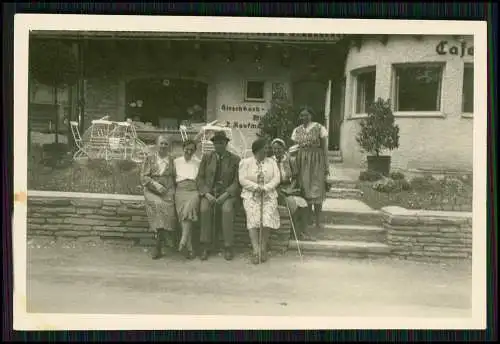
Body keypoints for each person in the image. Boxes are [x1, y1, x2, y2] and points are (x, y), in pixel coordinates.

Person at [196, 130, 241, 261]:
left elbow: (237, 181)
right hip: (209, 193)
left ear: (226, 144)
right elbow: (200, 178)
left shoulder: (234, 159)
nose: (219, 145)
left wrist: (227, 194)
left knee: (227, 210)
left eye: (221, 143)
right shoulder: (207, 158)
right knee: (204, 209)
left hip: (227, 194)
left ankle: (228, 246)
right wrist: (205, 193)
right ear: (214, 144)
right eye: (216, 143)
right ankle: (205, 245)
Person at [239, 138, 281, 264]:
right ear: (256, 151)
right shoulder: (245, 163)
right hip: (251, 195)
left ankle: (263, 248)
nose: (266, 152)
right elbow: (242, 179)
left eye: (267, 149)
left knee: (267, 217)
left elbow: (276, 178)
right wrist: (256, 188)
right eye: (264, 150)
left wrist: (266, 188)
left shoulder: (272, 162)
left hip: (268, 195)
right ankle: (255, 250)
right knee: (253, 218)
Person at [291, 106, 329, 229]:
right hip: (302, 162)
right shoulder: (297, 130)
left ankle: (318, 220)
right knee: (305, 190)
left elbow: (324, 148)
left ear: (311, 115)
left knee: (317, 190)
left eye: (306, 115)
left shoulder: (319, 128)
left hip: (317, 162)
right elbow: (294, 150)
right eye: (301, 115)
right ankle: (307, 220)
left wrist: (326, 165)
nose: (304, 117)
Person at [140, 134, 177, 260]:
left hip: (168, 191)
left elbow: (175, 177)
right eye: (161, 143)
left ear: (169, 146)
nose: (163, 146)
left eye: (166, 143)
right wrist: (155, 185)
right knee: (158, 205)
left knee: (169, 210)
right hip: (152, 191)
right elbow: (144, 177)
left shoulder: (172, 160)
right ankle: (159, 244)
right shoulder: (149, 158)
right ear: (157, 144)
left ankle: (161, 240)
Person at [271, 138, 315, 241]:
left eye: (279, 148)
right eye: (274, 149)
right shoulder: (270, 161)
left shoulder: (289, 160)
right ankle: (296, 233)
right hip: (275, 189)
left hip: (289, 188)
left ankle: (304, 231)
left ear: (283, 148)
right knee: (292, 204)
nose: (277, 151)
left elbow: (295, 177)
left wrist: (290, 188)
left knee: (303, 203)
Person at [173, 139, 201, 260]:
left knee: (187, 211)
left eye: (192, 150)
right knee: (185, 216)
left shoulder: (198, 162)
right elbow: (172, 178)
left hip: (194, 191)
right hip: (180, 191)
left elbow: (201, 179)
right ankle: (189, 247)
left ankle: (183, 241)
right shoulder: (176, 162)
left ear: (195, 151)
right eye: (187, 149)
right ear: (183, 148)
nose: (189, 151)